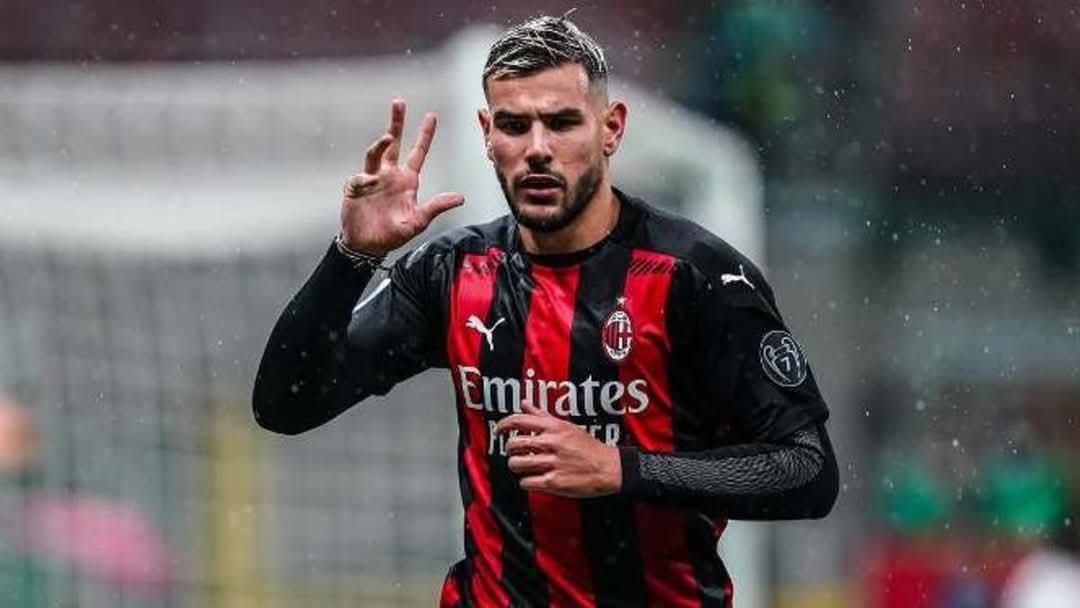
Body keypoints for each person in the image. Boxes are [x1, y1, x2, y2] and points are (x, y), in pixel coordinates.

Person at [253, 13, 838, 607]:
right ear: (487, 134)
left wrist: (619, 468)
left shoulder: (694, 276)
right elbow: (286, 404)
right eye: (514, 125)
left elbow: (807, 471)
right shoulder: (453, 270)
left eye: (561, 123)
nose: (537, 149)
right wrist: (351, 257)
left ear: (611, 128)